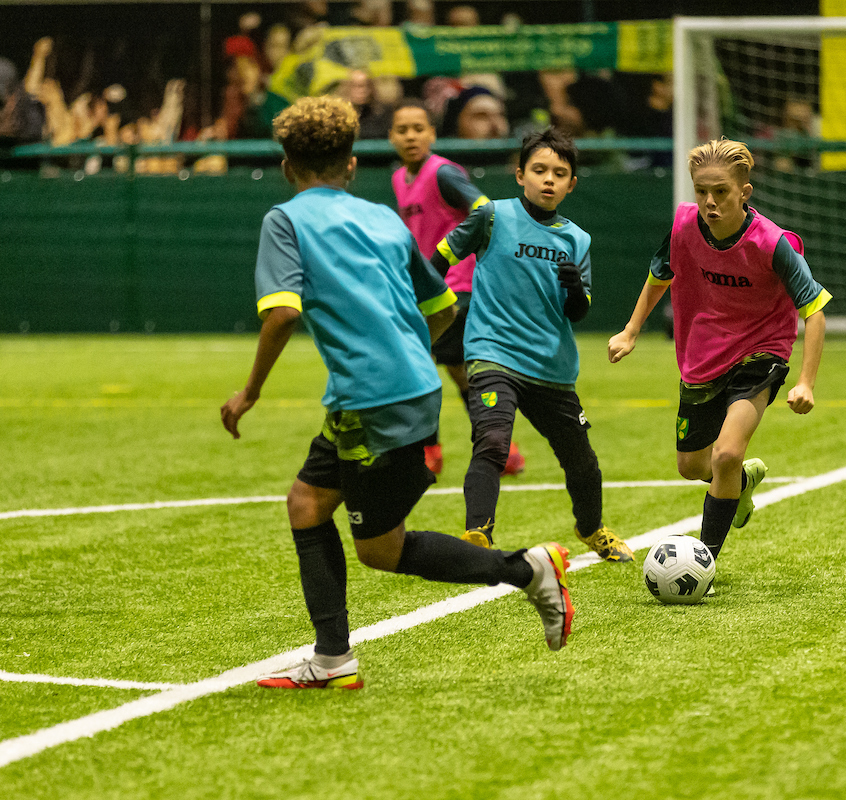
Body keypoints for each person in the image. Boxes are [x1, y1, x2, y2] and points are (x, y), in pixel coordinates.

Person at [219, 97, 573, 689]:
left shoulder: (285, 220)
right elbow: (440, 306)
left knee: (378, 548)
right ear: (352, 165)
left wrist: (249, 391)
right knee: (308, 506)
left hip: (370, 399)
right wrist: (407, 354)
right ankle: (334, 660)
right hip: (409, 386)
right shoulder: (384, 217)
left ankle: (527, 570)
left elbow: (280, 314)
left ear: (286, 165)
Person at [608, 139, 831, 584]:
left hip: (761, 352)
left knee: (728, 453)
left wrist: (806, 381)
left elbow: (815, 308)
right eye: (701, 190)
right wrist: (631, 330)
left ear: (744, 192)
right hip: (704, 352)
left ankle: (702, 565)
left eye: (721, 192)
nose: (709, 201)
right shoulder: (684, 226)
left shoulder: (771, 242)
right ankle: (740, 485)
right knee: (692, 466)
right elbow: (659, 274)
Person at [430, 128, 633, 563]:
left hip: (551, 367)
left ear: (571, 184)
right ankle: (477, 536)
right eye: (539, 170)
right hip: (492, 352)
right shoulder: (491, 216)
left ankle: (592, 529)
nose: (548, 180)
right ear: (520, 174)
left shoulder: (577, 240)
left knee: (581, 460)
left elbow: (577, 312)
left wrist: (576, 290)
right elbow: (440, 258)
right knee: (492, 442)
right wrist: (421, 305)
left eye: (559, 174)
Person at [388, 98, 525, 476]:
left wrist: (453, 251)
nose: (411, 136)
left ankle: (430, 450)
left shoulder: (443, 174)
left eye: (419, 128)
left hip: (455, 289)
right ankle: (503, 447)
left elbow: (485, 209)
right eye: (403, 129)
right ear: (391, 137)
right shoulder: (401, 178)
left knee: (419, 367)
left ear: (432, 134)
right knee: (461, 372)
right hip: (428, 289)